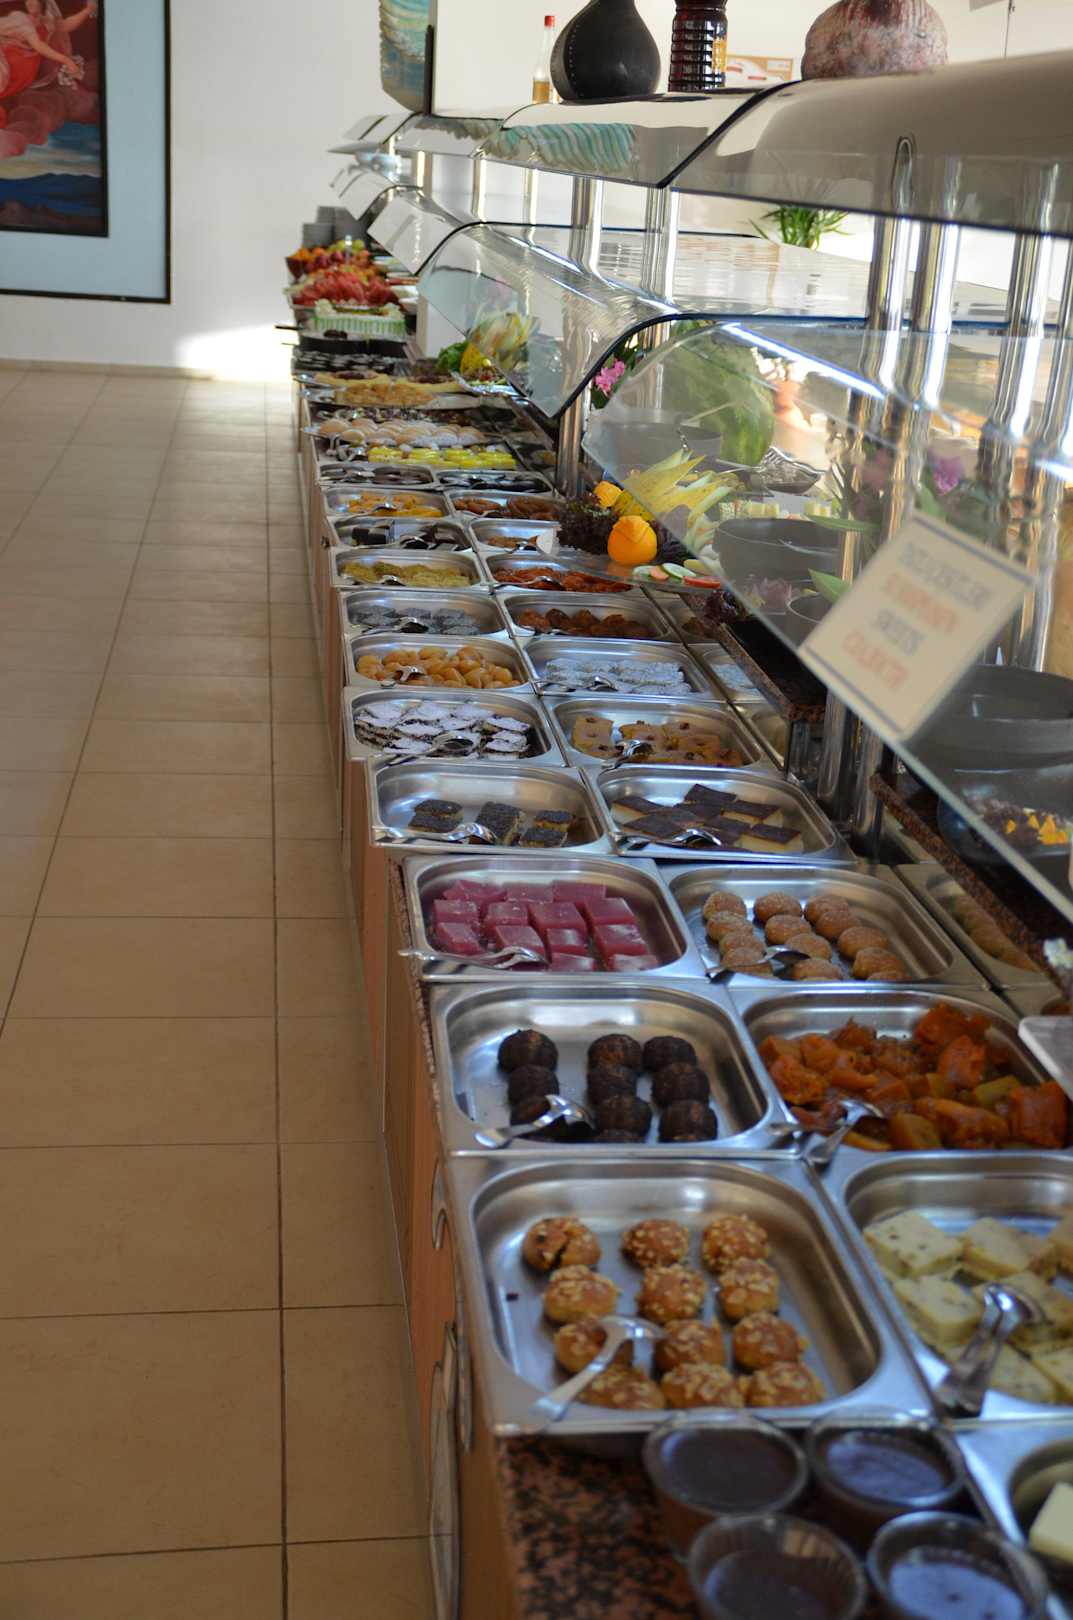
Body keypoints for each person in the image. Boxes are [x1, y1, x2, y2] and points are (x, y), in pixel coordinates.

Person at [0, 0, 97, 102]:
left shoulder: (44, 21)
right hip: (6, 59)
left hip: (20, 67)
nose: (30, 2)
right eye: (28, 0)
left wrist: (87, 11)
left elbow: (65, 25)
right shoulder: (21, 19)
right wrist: (66, 60)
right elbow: (38, 45)